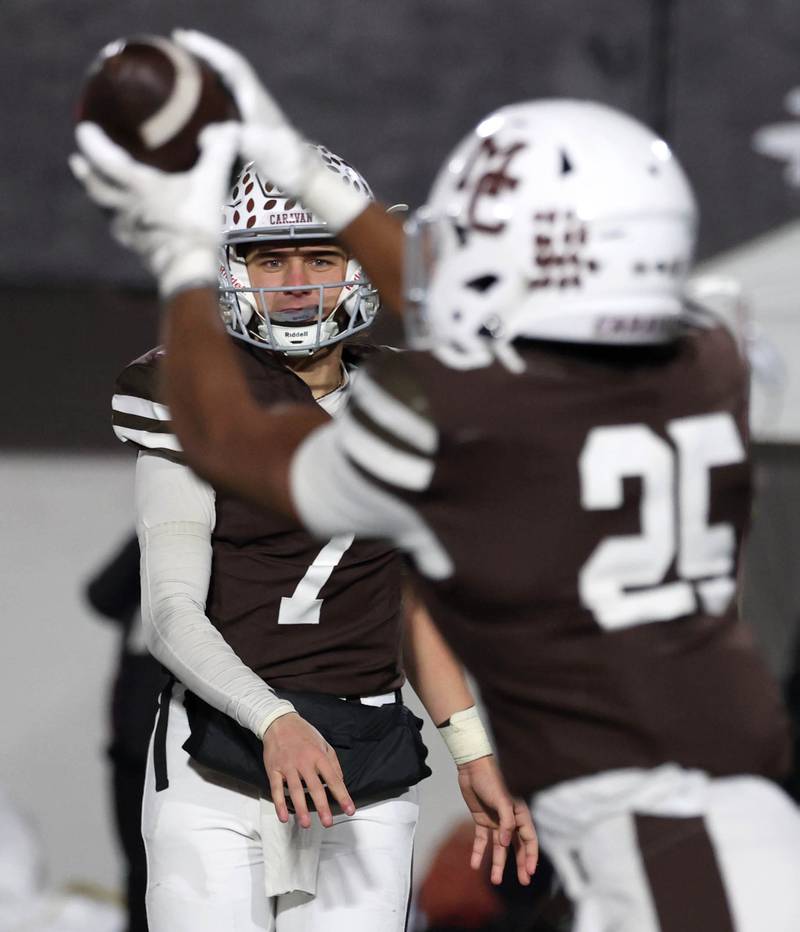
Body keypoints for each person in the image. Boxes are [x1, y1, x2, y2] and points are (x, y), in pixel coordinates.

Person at [71, 30, 800, 930]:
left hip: (603, 796)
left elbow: (258, 445)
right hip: (726, 778)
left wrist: (181, 247)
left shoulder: (431, 401)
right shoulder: (713, 363)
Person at [107, 149, 535, 932]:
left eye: (321, 254)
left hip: (360, 760)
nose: (297, 280)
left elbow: (409, 607)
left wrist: (473, 750)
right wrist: (274, 718)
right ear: (232, 268)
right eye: (271, 258)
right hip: (219, 753)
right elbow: (169, 611)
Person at [86, 534, 165, 932]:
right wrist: (151, 529)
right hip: (129, 751)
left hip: (179, 755)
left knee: (169, 873)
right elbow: (100, 595)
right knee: (138, 870)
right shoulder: (152, 544)